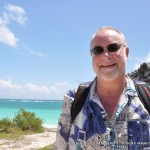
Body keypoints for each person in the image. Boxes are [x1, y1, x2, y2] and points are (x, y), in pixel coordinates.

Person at [54, 26, 150, 149]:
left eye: (113, 47)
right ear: (91, 55)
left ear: (126, 53)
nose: (106, 55)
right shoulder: (74, 98)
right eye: (98, 50)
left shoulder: (147, 96)